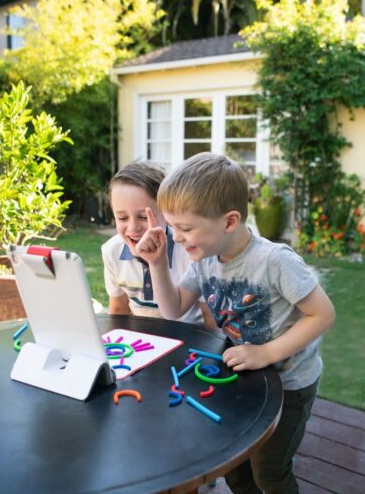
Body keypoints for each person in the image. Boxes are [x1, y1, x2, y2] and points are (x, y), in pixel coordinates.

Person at [136, 152, 336, 493]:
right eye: (173, 228)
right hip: (245, 381)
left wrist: (266, 353)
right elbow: (174, 309)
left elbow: (323, 314)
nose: (177, 238)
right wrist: (156, 264)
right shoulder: (204, 260)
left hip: (289, 385)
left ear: (229, 221)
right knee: (236, 470)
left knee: (270, 473)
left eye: (185, 228)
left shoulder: (274, 261)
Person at [101, 160, 211, 326]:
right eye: (122, 218)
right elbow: (118, 310)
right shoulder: (111, 251)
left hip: (189, 337)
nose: (133, 228)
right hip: (143, 340)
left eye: (144, 217)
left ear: (167, 215)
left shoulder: (192, 252)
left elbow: (210, 319)